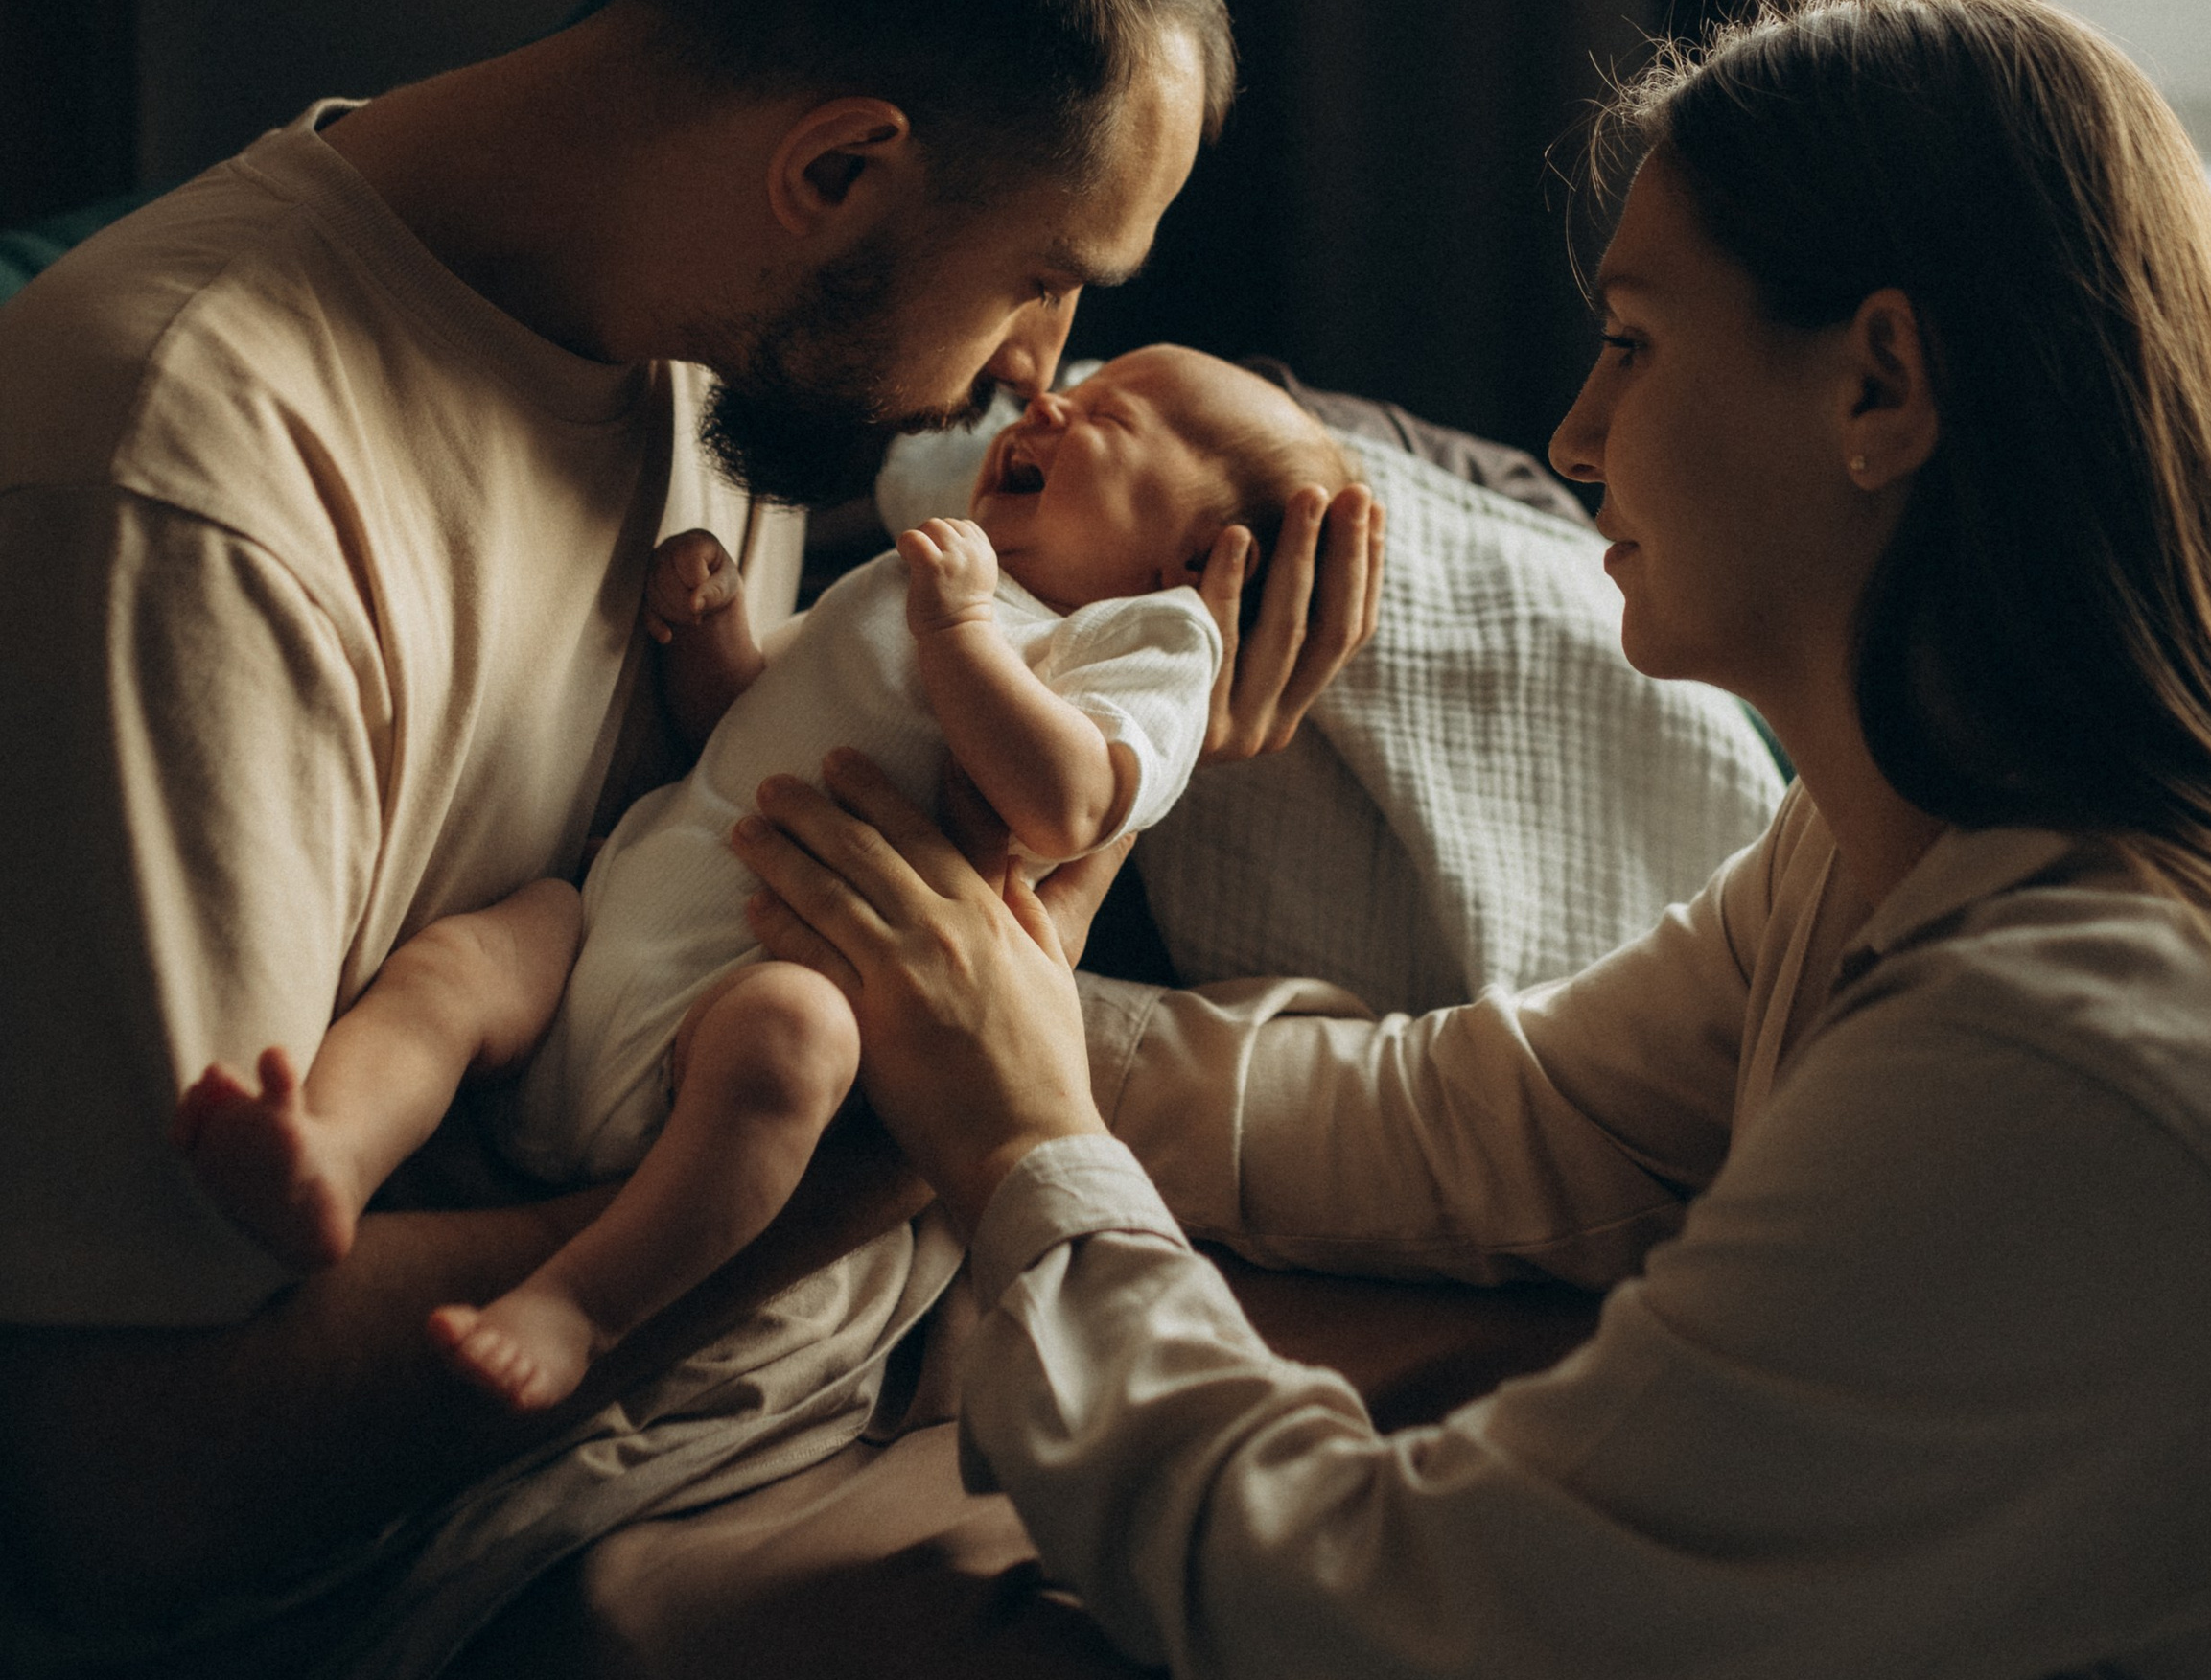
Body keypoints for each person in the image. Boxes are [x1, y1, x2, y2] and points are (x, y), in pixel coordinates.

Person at [733, 0, 2211, 1680]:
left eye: (1632, 341)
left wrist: (1022, 1140)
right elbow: (1506, 1119)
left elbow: (1365, 1632)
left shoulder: (2081, 1065)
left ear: (1874, 383)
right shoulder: (1907, 846)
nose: (1567, 432)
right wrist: (969, 999)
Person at [0, 0, 1380, 1680]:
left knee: (1489, 1406)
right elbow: (140, 1491)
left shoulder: (704, 352)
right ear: (834, 174)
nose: (1042, 363)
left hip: (740, 1372)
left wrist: (1263, 517)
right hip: (372, 1607)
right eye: (1040, 273)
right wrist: (910, 1121)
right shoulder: (184, 480)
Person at [172, 347, 1357, 1415]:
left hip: (741, 1001)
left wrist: (963, 636)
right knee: (473, 956)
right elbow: (745, 726)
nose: (1048, 395)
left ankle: (581, 1303)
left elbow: (1070, 803)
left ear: (1194, 556)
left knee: (791, 1043)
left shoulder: (1142, 645)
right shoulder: (932, 573)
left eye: (1113, 412)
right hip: (610, 926)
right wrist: (715, 627)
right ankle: (334, 1146)